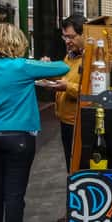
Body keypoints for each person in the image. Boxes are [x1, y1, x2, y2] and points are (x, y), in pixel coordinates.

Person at [0, 23, 69, 222]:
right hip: (17, 136)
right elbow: (62, 67)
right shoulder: (22, 66)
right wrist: (42, 65)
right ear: (17, 43)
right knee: (14, 192)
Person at [43, 15, 86, 171]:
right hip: (66, 121)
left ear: (84, 35)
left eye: (71, 37)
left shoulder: (90, 58)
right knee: (71, 166)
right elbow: (64, 77)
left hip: (79, 123)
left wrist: (67, 87)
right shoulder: (71, 55)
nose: (67, 41)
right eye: (65, 37)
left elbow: (92, 93)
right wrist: (47, 70)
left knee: (78, 168)